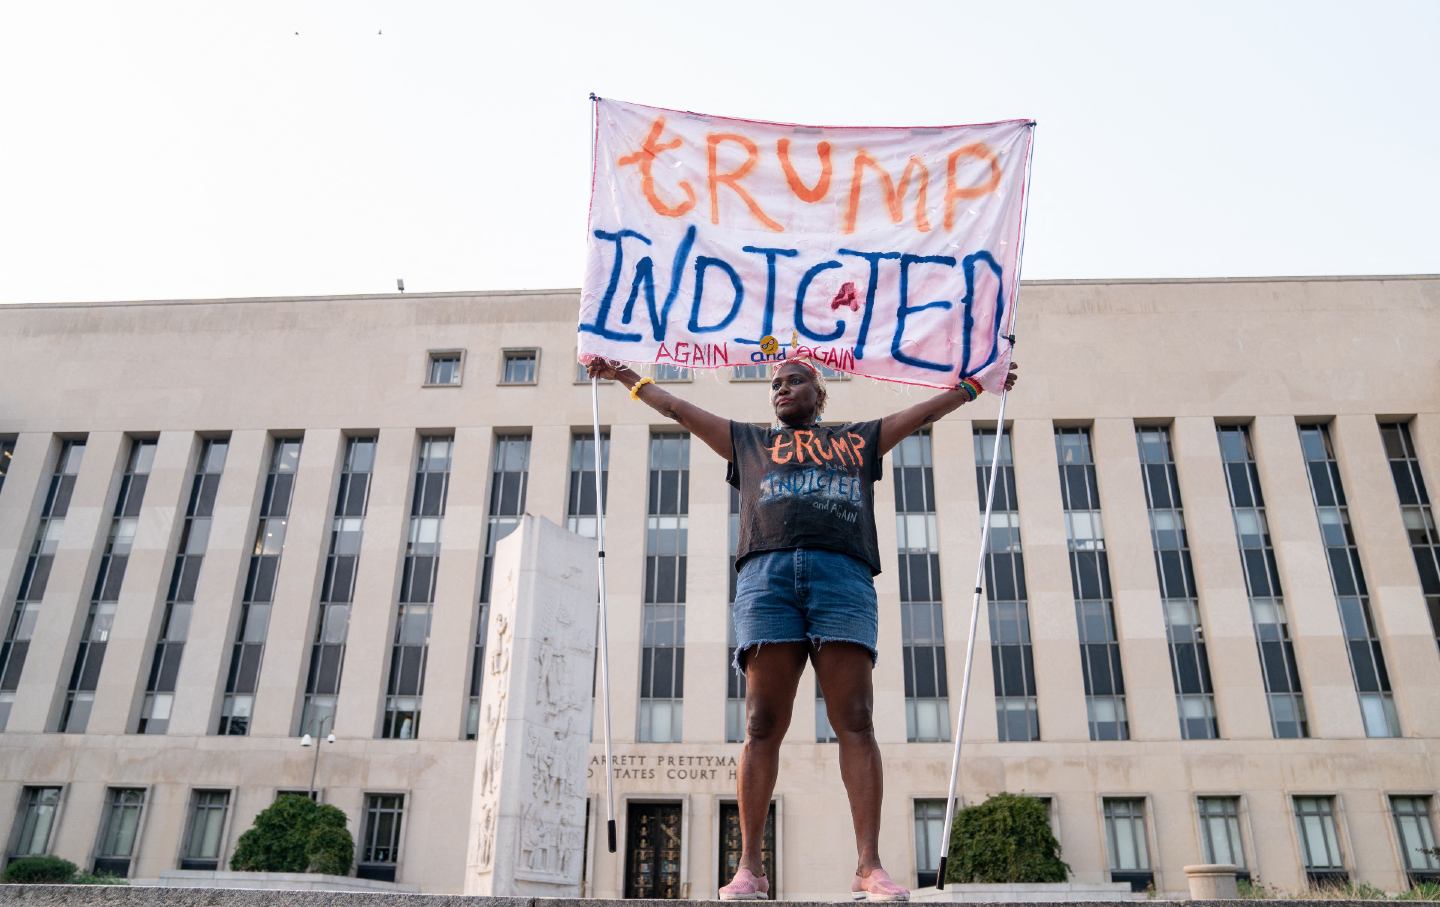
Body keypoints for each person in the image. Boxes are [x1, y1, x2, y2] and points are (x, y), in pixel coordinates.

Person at [585, 354, 1019, 901]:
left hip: (842, 576)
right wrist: (626, 376)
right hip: (767, 579)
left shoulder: (857, 441)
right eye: (776, 384)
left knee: (855, 718)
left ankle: (868, 866)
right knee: (762, 722)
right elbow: (676, 407)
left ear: (820, 392)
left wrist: (977, 387)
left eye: (795, 381)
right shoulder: (749, 443)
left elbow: (923, 412)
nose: (782, 389)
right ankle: (750, 868)